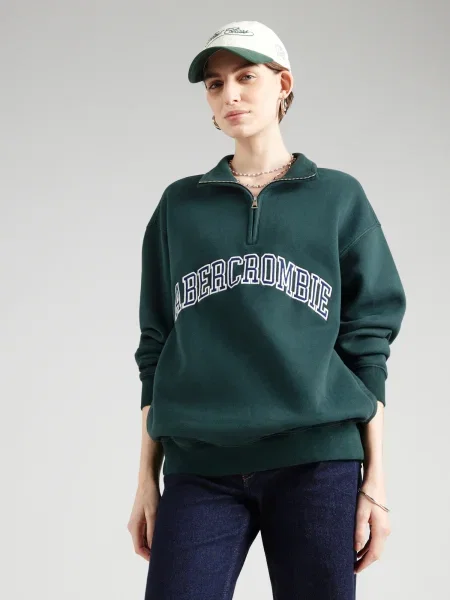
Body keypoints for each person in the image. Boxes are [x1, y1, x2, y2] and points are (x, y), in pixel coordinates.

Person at [127, 20, 407, 600]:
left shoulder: (337, 197)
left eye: (246, 77)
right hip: (199, 464)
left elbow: (368, 345)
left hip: (317, 461)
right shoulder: (180, 206)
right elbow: (156, 346)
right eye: (215, 83)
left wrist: (375, 483)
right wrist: (145, 481)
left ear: (283, 84)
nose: (229, 94)